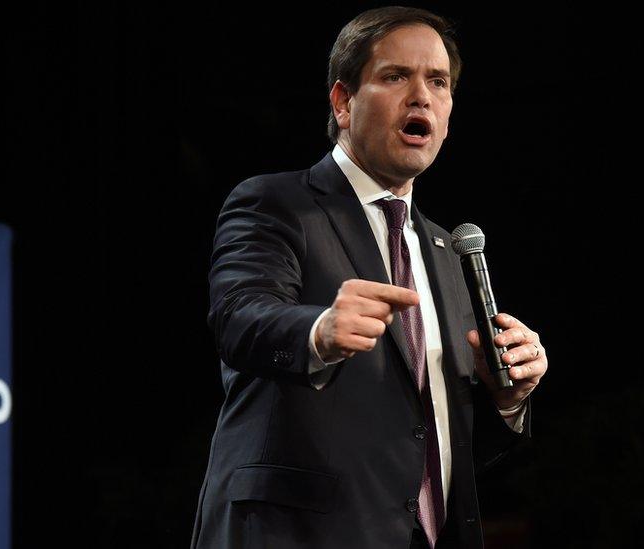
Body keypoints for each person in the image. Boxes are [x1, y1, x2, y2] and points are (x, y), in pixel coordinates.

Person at [190, 6, 548, 549]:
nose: (422, 96)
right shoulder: (276, 204)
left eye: (438, 81)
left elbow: (428, 440)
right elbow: (240, 316)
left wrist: (506, 397)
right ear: (342, 102)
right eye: (395, 76)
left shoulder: (447, 251)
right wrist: (319, 330)